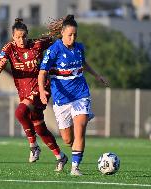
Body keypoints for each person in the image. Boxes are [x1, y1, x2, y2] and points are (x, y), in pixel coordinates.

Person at [0, 18, 68, 171]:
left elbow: (56, 38)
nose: (22, 40)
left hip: (40, 88)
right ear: (13, 37)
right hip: (24, 92)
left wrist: (63, 28)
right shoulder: (8, 49)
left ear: (27, 35)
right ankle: (60, 156)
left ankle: (33, 146)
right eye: (18, 37)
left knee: (20, 112)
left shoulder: (36, 45)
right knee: (40, 128)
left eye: (24, 36)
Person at [38, 15, 108, 176]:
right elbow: (42, 73)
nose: (73, 37)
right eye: (70, 34)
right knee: (68, 140)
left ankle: (75, 168)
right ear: (62, 33)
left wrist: (97, 75)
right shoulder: (53, 50)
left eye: (75, 34)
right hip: (61, 99)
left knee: (80, 129)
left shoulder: (79, 47)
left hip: (81, 94)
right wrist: (42, 91)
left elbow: (84, 62)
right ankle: (70, 155)